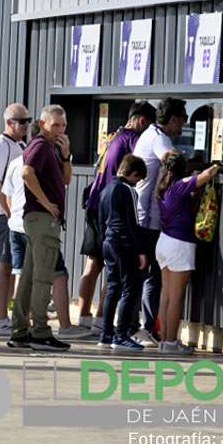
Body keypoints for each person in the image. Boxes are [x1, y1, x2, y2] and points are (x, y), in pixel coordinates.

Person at [79, 101, 157, 338]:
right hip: (113, 210)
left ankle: (83, 318)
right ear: (142, 121)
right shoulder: (133, 139)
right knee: (115, 266)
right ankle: (103, 320)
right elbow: (144, 164)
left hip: (96, 204)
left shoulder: (114, 137)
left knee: (94, 264)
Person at [8, 105, 72, 352]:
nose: (60, 129)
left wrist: (65, 155)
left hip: (38, 220)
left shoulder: (52, 148)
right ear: (43, 124)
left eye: (63, 125)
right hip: (42, 220)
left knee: (28, 277)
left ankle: (20, 331)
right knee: (43, 278)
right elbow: (26, 172)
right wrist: (45, 202)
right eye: (55, 125)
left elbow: (65, 180)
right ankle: (40, 332)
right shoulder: (40, 145)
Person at [2, 150, 77, 342]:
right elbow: (64, 181)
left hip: (19, 224)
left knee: (24, 275)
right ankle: (48, 328)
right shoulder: (47, 161)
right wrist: (47, 204)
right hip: (40, 225)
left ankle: (20, 328)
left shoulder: (15, 162)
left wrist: (14, 217)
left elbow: (7, 196)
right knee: (54, 276)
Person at [131, 98, 185, 346]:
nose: (183, 128)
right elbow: (171, 160)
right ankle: (146, 327)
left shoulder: (148, 133)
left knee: (143, 275)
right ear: (173, 119)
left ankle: (135, 327)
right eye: (182, 121)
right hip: (148, 219)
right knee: (152, 276)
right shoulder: (160, 139)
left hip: (141, 215)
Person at [155, 155, 220, 354]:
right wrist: (218, 164)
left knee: (165, 297)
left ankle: (164, 341)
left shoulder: (163, 188)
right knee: (176, 298)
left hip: (164, 242)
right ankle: (172, 342)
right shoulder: (180, 185)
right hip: (180, 244)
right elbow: (207, 175)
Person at [0, 103, 29, 336]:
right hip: (3, 215)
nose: (26, 125)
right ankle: (1, 317)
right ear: (9, 122)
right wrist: (9, 212)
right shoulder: (1, 145)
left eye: (28, 121)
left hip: (12, 215)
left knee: (11, 267)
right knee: (4, 266)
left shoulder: (20, 144)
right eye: (22, 121)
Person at [96, 154, 148, 350]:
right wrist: (141, 250)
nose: (137, 183)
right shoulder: (128, 190)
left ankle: (106, 334)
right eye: (138, 179)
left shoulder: (106, 189)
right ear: (133, 174)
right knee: (130, 288)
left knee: (112, 287)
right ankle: (121, 334)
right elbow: (133, 222)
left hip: (108, 241)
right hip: (124, 243)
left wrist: (106, 239)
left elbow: (100, 219)